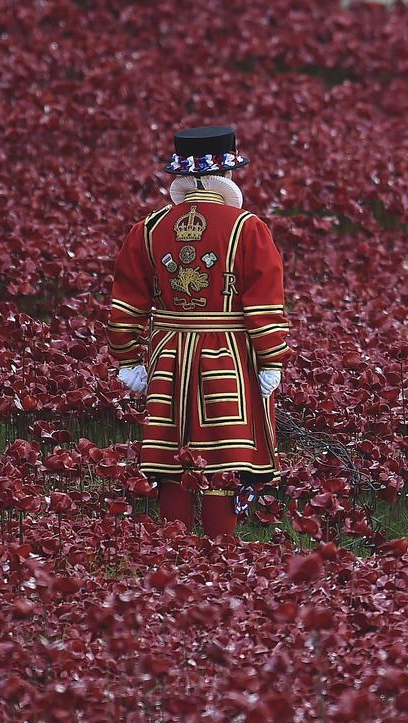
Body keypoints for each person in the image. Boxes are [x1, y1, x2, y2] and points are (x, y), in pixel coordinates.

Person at [107, 126, 291, 538]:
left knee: (170, 451)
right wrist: (271, 359)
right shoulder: (248, 228)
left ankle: (172, 545)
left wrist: (128, 359)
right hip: (227, 353)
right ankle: (218, 547)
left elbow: (127, 303)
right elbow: (264, 303)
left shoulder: (148, 229)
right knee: (224, 450)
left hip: (168, 352)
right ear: (226, 175)